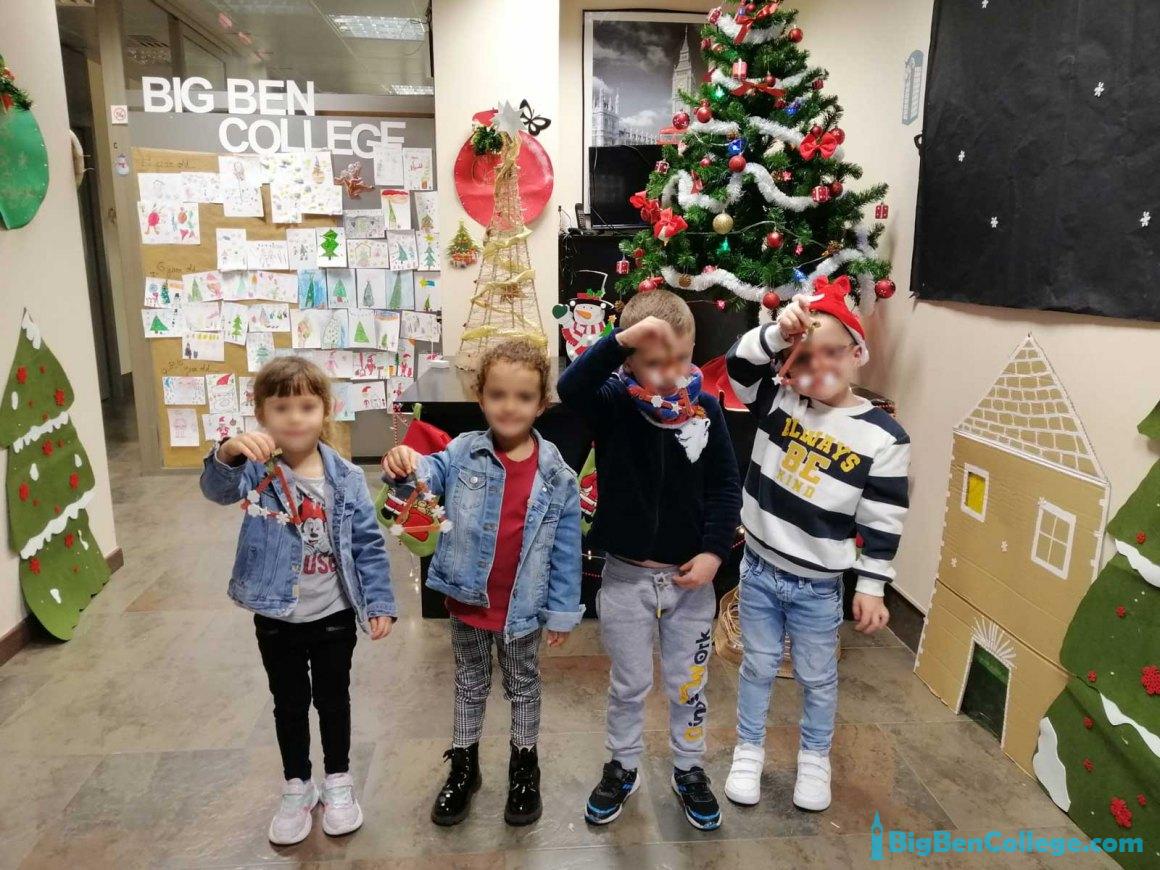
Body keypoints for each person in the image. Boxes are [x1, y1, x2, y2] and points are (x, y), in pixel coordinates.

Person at [557, 289, 742, 831]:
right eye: (654, 362)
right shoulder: (614, 401)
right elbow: (570, 389)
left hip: (690, 583)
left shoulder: (706, 410)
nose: (669, 374)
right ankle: (623, 764)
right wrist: (618, 341)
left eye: (680, 360)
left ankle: (688, 767)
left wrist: (713, 552)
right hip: (626, 578)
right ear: (631, 360)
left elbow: (725, 486)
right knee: (629, 683)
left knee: (689, 683)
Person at [723, 282, 911, 812]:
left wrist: (872, 586)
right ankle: (748, 750)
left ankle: (814, 758)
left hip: (818, 586)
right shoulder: (781, 401)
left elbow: (883, 518)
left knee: (817, 676)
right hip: (758, 570)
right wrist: (775, 333)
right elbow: (736, 367)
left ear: (857, 354)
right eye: (805, 355)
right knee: (757, 666)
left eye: (833, 352)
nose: (819, 365)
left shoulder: (884, 437)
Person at [382, 339, 583, 828]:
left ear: (541, 403)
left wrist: (561, 611)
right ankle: (464, 766)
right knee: (469, 685)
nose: (509, 407)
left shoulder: (556, 474)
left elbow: (565, 549)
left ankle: (524, 767)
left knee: (523, 686)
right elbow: (426, 475)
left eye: (523, 397)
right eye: (498, 395)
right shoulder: (461, 452)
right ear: (481, 397)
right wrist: (406, 463)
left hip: (523, 610)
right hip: (468, 601)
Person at [200, 357, 395, 845]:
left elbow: (368, 544)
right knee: (288, 702)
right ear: (262, 414)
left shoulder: (345, 476)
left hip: (333, 613)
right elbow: (217, 490)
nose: (294, 418)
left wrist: (379, 603)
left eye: (306, 406)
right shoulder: (255, 471)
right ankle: (297, 785)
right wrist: (228, 452)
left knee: (333, 699)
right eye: (281, 407)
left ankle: (338, 780)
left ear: (325, 410)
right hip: (276, 614)